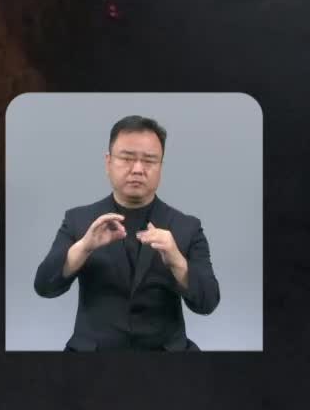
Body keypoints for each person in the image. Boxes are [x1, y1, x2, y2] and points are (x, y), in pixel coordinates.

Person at [32, 115, 221, 350]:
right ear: (108, 162)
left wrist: (177, 261)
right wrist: (84, 247)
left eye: (150, 160)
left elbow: (208, 303)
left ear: (161, 166)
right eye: (127, 158)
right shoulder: (78, 220)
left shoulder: (187, 227)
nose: (138, 169)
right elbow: (44, 287)